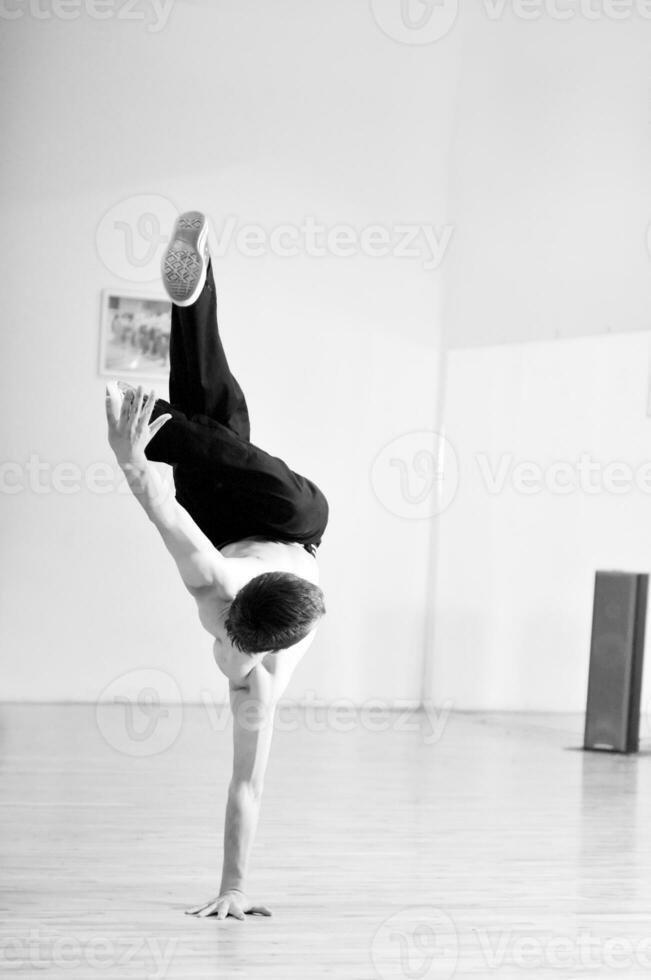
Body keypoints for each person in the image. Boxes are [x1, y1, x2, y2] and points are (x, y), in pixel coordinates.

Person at [104, 211, 329, 921]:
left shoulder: (216, 594)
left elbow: (163, 511)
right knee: (210, 440)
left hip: (225, 531)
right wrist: (135, 447)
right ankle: (153, 400)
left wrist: (234, 886)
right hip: (296, 522)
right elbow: (247, 789)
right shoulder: (226, 602)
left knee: (213, 402)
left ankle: (189, 301)